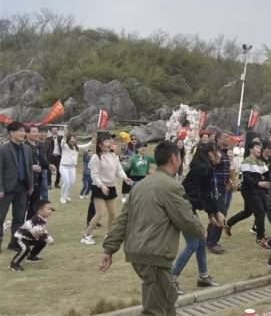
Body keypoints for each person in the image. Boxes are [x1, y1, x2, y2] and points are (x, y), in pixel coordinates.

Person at [101, 141, 206, 316]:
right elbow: (186, 219)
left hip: (140, 252)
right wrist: (202, 232)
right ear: (174, 158)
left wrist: (109, 248)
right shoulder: (170, 186)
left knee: (168, 296)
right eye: (180, 156)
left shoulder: (140, 185)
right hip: (154, 254)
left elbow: (122, 220)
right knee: (154, 309)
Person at [172, 142, 226, 294]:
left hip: (186, 206)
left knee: (201, 241)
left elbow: (203, 193)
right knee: (193, 244)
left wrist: (211, 213)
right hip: (182, 207)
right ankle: (171, 279)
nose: (220, 155)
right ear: (210, 153)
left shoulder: (205, 166)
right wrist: (215, 212)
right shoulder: (204, 168)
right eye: (218, 151)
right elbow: (202, 195)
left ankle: (203, 277)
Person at [82, 133, 133, 245]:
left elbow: (118, 170)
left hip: (111, 187)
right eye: (106, 141)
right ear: (100, 145)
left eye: (109, 141)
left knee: (113, 213)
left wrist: (125, 178)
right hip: (98, 187)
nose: (109, 143)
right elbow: (94, 175)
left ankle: (109, 233)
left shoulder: (113, 156)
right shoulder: (96, 157)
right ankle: (86, 236)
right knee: (99, 213)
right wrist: (101, 185)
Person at [225, 141, 271, 248]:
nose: (260, 149)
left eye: (260, 147)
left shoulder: (261, 163)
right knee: (260, 212)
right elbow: (247, 178)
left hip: (258, 190)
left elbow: (268, 176)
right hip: (249, 191)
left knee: (247, 212)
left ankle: (228, 223)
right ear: (251, 150)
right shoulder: (246, 161)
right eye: (257, 147)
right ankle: (260, 238)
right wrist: (259, 183)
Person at [0, 121, 34, 252]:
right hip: (6, 190)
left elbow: (29, 169)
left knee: (19, 217)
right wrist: (1, 189)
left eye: (24, 131)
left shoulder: (27, 149)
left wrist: (30, 185)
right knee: (1, 217)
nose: (23, 133)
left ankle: (14, 243)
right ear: (11, 133)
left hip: (22, 189)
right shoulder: (3, 149)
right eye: (20, 131)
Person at [206, 132, 237, 254]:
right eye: (225, 137)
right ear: (218, 139)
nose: (228, 139)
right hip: (216, 187)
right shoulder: (215, 152)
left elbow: (224, 170)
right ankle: (212, 243)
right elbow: (211, 168)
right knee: (221, 213)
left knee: (216, 213)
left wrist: (229, 180)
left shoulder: (224, 152)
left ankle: (209, 239)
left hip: (223, 187)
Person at [10, 199, 55, 271]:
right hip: (20, 238)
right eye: (48, 209)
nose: (51, 211)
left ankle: (31, 256)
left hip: (29, 238)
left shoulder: (42, 219)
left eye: (51, 209)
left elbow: (42, 230)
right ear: (40, 211)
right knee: (25, 249)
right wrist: (48, 238)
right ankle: (14, 264)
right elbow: (37, 231)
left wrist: (46, 236)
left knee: (42, 242)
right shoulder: (36, 220)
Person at [25, 126, 54, 218]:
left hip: (37, 180)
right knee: (23, 207)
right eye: (33, 132)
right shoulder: (23, 147)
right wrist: (31, 167)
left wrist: (48, 165)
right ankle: (21, 228)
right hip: (25, 181)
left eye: (37, 132)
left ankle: (31, 226)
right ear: (27, 133)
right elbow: (18, 164)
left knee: (34, 206)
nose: (36, 134)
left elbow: (42, 160)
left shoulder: (39, 146)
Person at [59, 133, 93, 204]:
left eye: (74, 138)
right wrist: (64, 135)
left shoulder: (76, 147)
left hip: (72, 167)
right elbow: (62, 142)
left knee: (72, 182)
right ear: (68, 140)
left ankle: (66, 195)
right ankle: (62, 197)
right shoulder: (65, 146)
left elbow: (85, 145)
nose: (73, 140)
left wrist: (92, 141)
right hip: (64, 167)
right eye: (71, 138)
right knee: (66, 182)